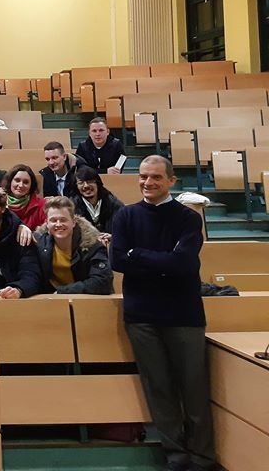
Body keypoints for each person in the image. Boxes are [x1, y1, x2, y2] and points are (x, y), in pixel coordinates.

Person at [110, 156, 215, 471]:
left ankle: (202, 457)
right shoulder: (125, 216)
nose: (148, 182)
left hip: (183, 314)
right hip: (142, 316)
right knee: (159, 389)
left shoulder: (188, 219)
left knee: (194, 389)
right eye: (143, 176)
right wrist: (162, 261)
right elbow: (118, 261)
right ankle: (176, 455)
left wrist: (138, 255)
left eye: (156, 177)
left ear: (171, 180)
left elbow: (183, 264)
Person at [30, 196, 112, 295]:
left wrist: (62, 292)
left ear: (73, 222)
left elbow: (103, 281)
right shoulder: (38, 243)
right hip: (51, 300)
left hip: (87, 299)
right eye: (53, 220)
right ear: (47, 223)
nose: (58, 224)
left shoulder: (92, 244)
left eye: (63, 220)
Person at [71, 165, 125, 242]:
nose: (86, 186)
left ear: (98, 183)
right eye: (81, 183)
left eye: (90, 181)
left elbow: (124, 229)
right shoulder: (72, 206)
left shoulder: (114, 204)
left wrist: (113, 237)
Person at [3, 164, 47, 230]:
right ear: (10, 181)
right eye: (17, 180)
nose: (21, 185)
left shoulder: (42, 205)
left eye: (26, 182)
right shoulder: (0, 203)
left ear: (31, 186)